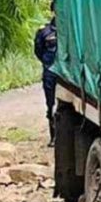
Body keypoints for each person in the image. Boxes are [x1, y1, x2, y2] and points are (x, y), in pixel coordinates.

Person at [34, 17, 58, 146]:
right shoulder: (45, 31)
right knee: (51, 104)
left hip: (67, 74)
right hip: (50, 72)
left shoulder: (71, 28)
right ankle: (53, 137)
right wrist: (48, 63)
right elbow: (38, 51)